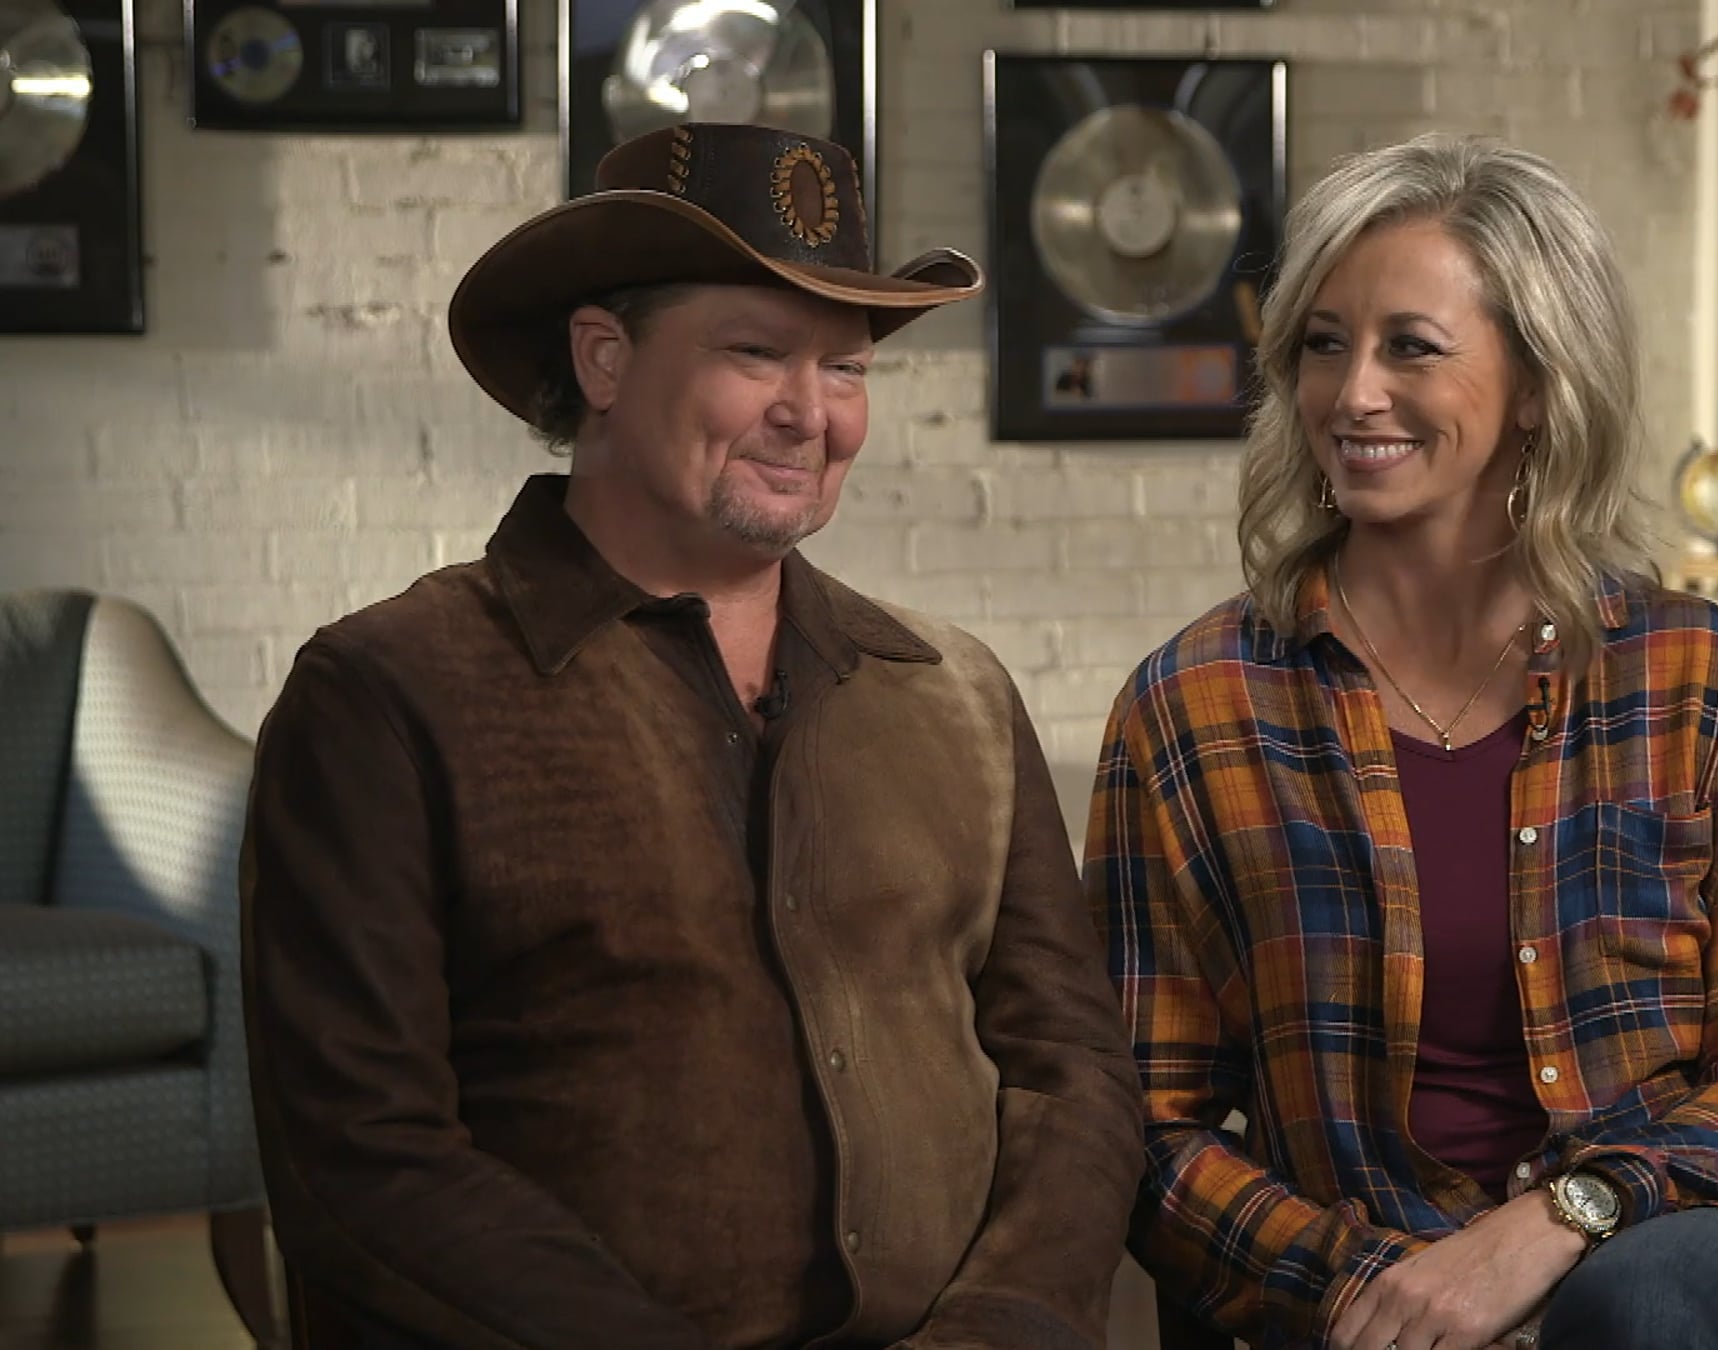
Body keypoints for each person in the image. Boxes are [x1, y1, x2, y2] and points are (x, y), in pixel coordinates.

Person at [240, 122, 1143, 1350]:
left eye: (847, 368)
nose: (810, 414)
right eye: (756, 352)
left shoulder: (955, 694)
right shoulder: (388, 694)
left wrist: (1003, 1327)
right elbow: (359, 1156)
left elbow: (1073, 1072)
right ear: (604, 358)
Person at [1085, 132, 1718, 1350]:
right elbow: (1148, 1127)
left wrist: (1566, 1219)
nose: (1353, 394)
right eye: (1323, 344)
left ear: (1540, 384)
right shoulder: (1194, 707)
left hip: (1671, 1257)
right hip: (1367, 1281)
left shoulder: (1697, 676)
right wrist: (1371, 1287)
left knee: (1640, 1308)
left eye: (1411, 346)